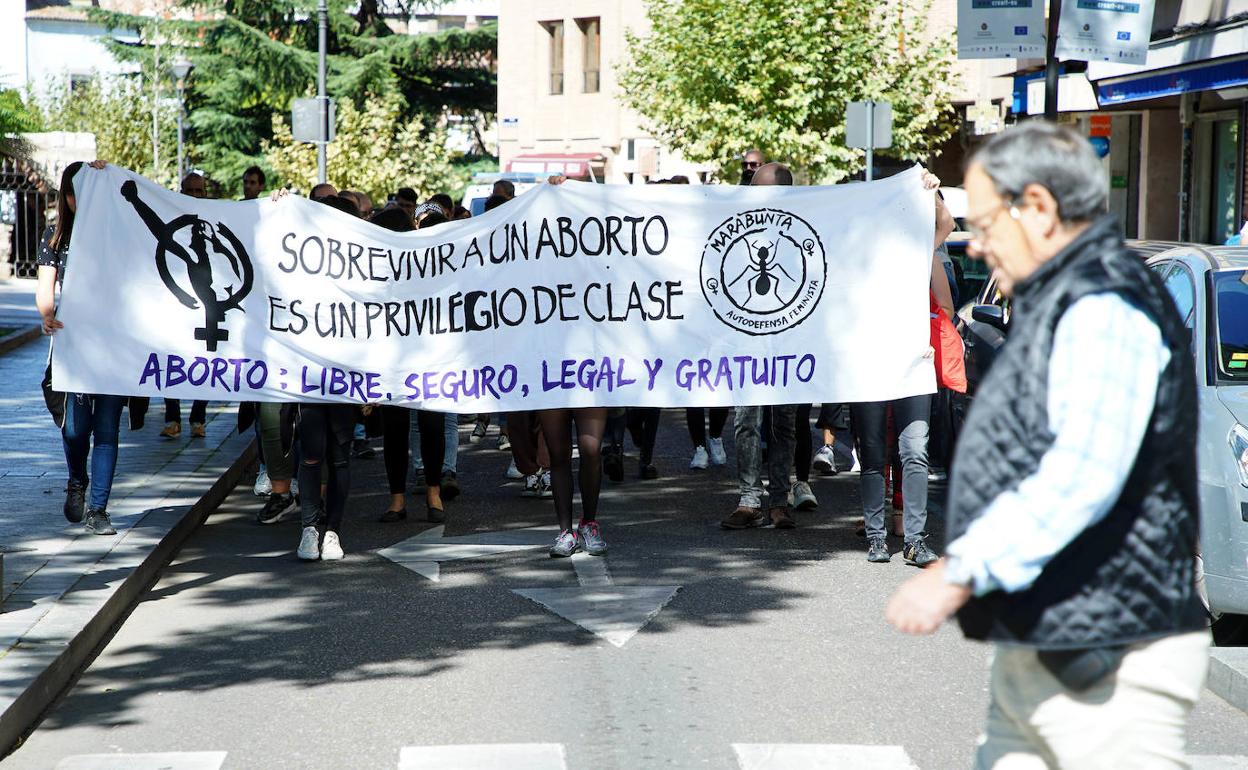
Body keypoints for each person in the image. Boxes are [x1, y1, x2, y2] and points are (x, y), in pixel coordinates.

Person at [886, 121, 1208, 768]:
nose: (974, 247)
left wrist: (962, 569)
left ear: (1037, 208)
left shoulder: (1104, 306)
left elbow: (1083, 471)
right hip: (1057, 643)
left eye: (984, 223)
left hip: (1110, 664)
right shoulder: (1068, 299)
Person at [36, 160, 149, 536]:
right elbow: (45, 286)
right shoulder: (56, 237)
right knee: (73, 431)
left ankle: (98, 509)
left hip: (115, 350)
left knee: (106, 430)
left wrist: (108, 172)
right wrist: (47, 314)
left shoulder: (120, 235)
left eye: (86, 191)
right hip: (74, 350)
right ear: (64, 195)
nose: (77, 199)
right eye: (72, 192)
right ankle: (76, 480)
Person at [851, 168, 951, 566]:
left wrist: (933, 190)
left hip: (913, 364)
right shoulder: (851, 257)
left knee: (915, 451)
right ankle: (877, 536)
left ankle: (914, 540)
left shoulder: (915, 248)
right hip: (867, 365)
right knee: (874, 453)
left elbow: (946, 223)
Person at [720, 162, 797, 531]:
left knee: (784, 423)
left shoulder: (804, 224)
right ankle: (749, 499)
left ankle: (780, 501)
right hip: (747, 340)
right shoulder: (738, 223)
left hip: (791, 342)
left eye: (760, 188)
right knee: (746, 420)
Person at [369, 207, 448, 523]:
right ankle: (397, 499)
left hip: (430, 358)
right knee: (395, 430)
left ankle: (433, 492)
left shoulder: (429, 265)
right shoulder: (375, 270)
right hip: (392, 362)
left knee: (432, 427)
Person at [160, 171, 211, 439]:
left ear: (206, 193)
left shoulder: (213, 221)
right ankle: (172, 418)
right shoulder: (172, 221)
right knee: (171, 360)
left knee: (205, 360)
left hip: (206, 306)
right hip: (176, 303)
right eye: (189, 191)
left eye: (198, 191)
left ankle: (198, 419)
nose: (194, 196)